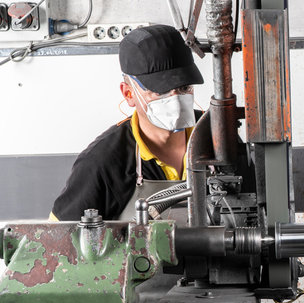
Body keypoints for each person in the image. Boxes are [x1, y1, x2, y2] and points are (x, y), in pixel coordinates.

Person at [50, 24, 205, 221]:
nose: (175, 99)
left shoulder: (215, 135)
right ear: (129, 93)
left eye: (184, 87)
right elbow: (58, 242)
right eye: (160, 90)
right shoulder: (103, 163)